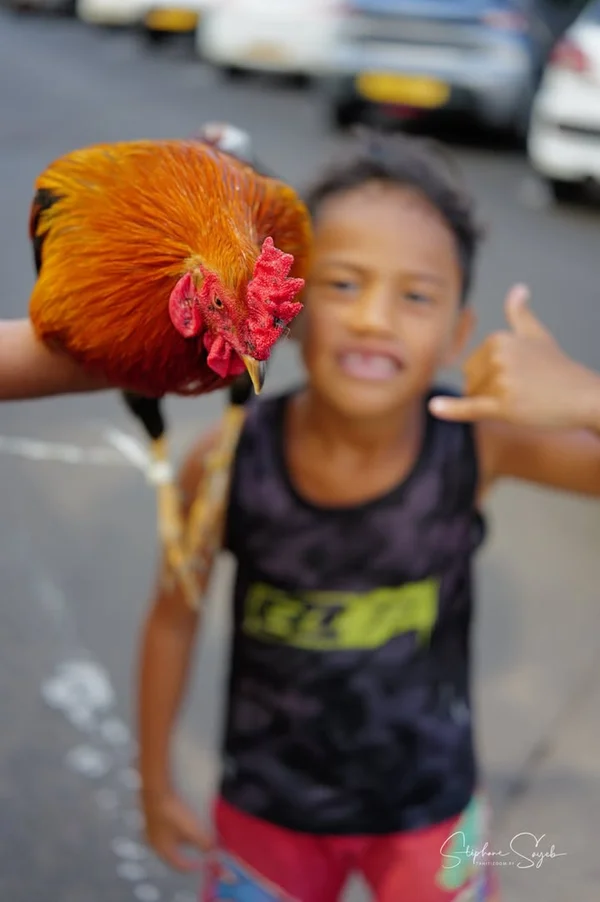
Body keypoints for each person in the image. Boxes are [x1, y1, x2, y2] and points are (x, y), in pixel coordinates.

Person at [134, 132, 600, 902]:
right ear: (286, 301)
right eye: (342, 284)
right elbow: (172, 620)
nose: (375, 318)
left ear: (457, 331)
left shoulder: (476, 442)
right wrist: (154, 785)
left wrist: (585, 397)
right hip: (265, 814)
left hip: (434, 812)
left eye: (415, 295)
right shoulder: (223, 460)